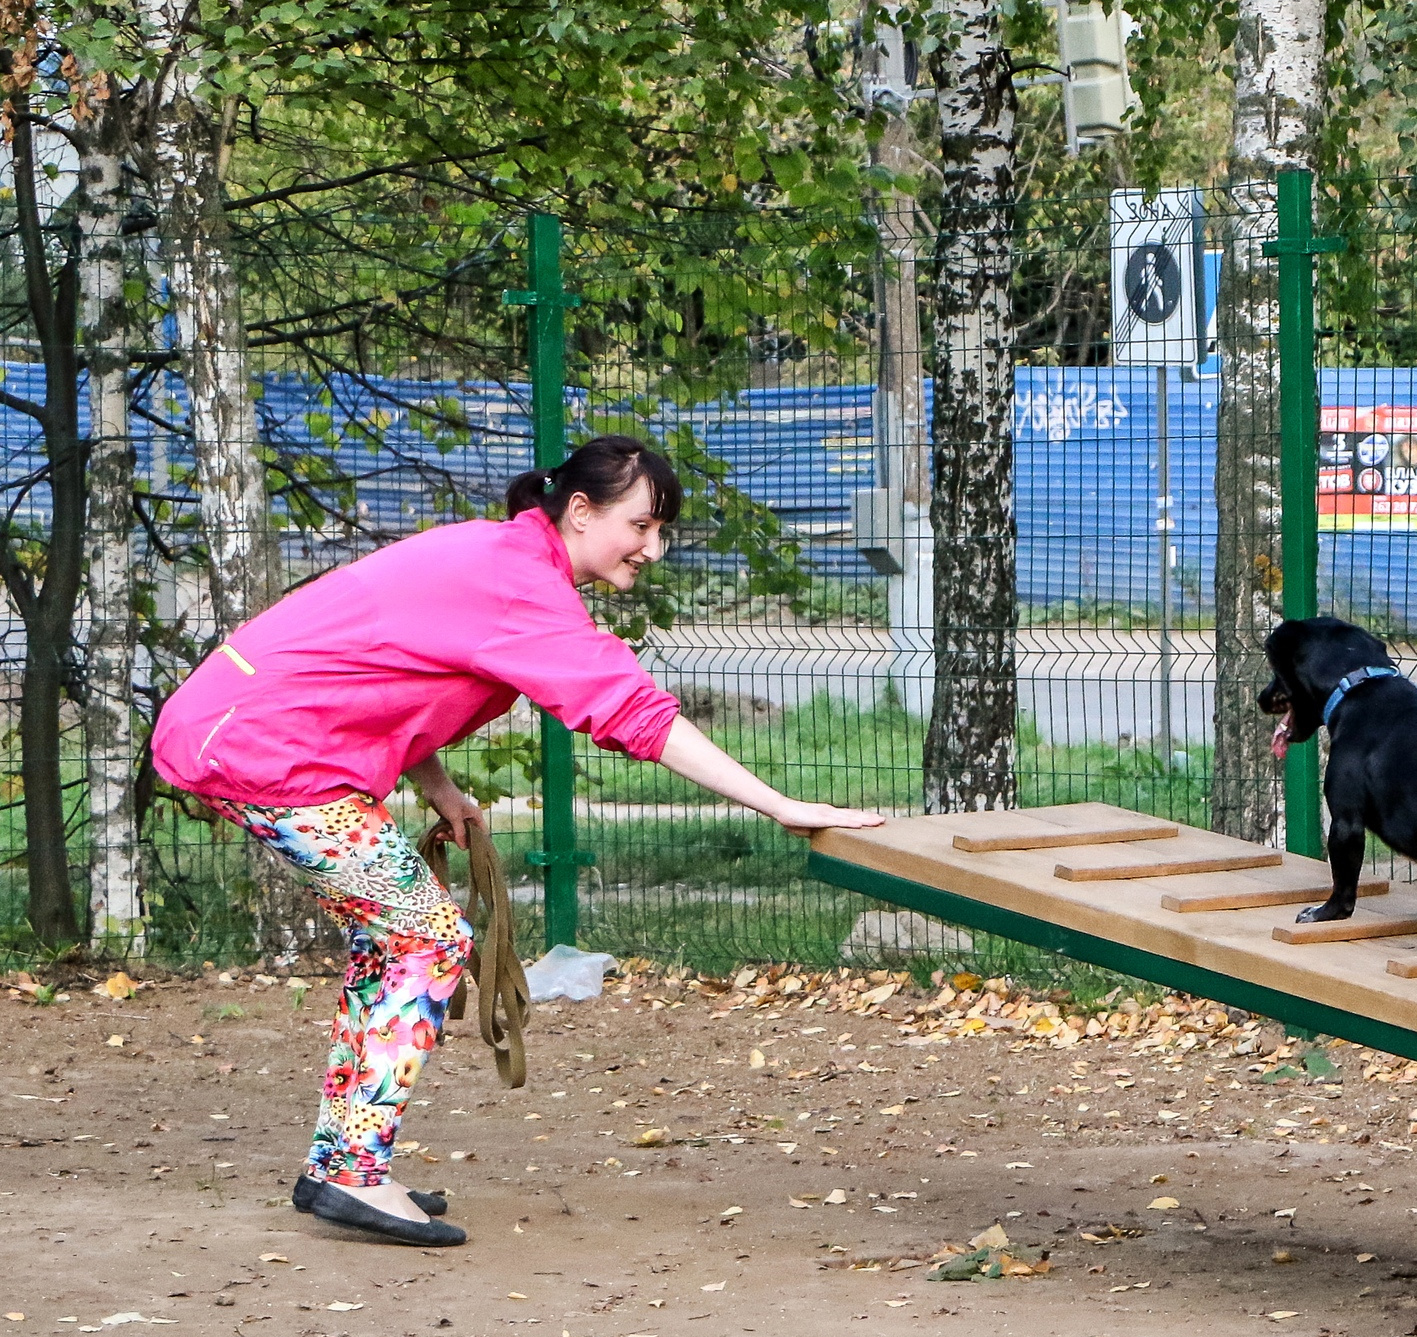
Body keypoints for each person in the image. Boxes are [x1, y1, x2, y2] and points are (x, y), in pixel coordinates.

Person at [150, 435, 884, 1247]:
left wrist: (438, 786)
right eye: (642, 525)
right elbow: (634, 713)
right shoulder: (520, 586)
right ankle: (348, 1175)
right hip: (262, 748)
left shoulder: (498, 557)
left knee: (397, 941)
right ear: (579, 511)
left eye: (662, 530)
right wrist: (775, 802)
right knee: (426, 942)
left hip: (243, 732)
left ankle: (343, 1158)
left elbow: (385, 668)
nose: (655, 547)